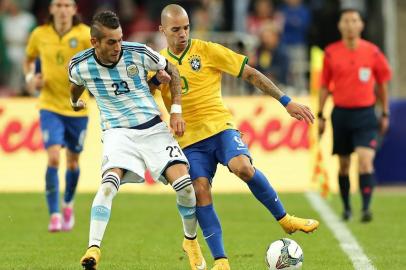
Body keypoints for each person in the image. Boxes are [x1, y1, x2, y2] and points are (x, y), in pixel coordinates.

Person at [153, 4, 319, 270]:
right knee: (200, 190)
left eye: (186, 27)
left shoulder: (208, 50)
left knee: (243, 166)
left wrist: (286, 101)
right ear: (162, 30)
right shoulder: (156, 61)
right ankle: (221, 260)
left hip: (220, 127)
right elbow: (145, 99)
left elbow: (250, 73)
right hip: (189, 141)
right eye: (175, 29)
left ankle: (285, 219)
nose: (183, 34)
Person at [69, 11, 205, 270]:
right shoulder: (81, 65)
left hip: (153, 128)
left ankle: (190, 241)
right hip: (117, 133)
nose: (118, 47)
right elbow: (75, 83)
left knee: (187, 187)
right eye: (111, 42)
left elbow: (171, 70)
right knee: (108, 185)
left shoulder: (139, 52)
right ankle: (93, 248)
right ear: (94, 42)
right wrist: (74, 101)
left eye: (120, 40)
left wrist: (175, 110)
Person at [23, 0, 91, 232]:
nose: (63, 9)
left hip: (77, 108)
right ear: (51, 9)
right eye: (58, 5)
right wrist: (31, 79)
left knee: (72, 162)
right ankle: (54, 215)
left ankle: (68, 203)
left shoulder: (85, 35)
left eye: (67, 5)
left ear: (74, 10)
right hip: (49, 105)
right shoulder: (39, 34)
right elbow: (29, 59)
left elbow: (97, 61)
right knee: (53, 158)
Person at [318, 9, 391, 222]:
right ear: (340, 25)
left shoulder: (373, 52)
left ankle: (366, 209)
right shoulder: (331, 53)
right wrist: (321, 115)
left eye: (354, 20)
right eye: (346, 21)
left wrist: (385, 112)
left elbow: (382, 84)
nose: (350, 25)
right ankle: (347, 207)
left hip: (366, 114)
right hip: (340, 114)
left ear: (361, 25)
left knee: (366, 161)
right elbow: (324, 86)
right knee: (344, 164)